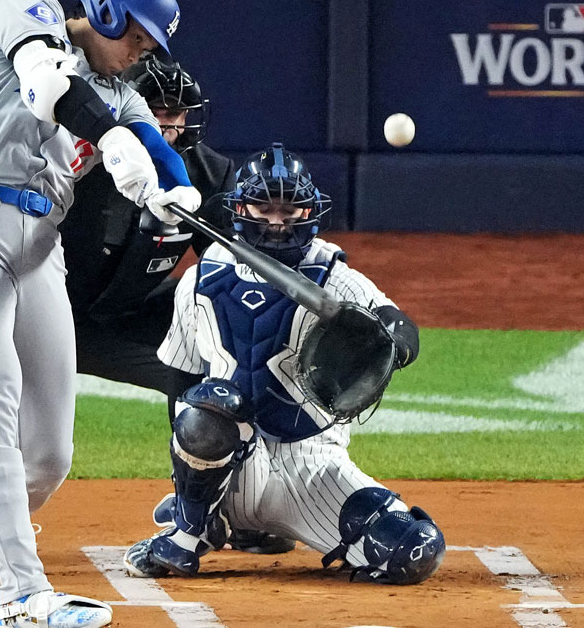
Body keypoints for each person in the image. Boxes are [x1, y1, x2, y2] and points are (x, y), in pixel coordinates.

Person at [0, 55, 295, 573]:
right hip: (23, 305)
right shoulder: (70, 161)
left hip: (122, 319)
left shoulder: (205, 174)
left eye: (179, 114)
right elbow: (0, 229)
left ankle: (221, 512)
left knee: (220, 349)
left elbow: (234, 257)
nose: (168, 125)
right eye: (158, 111)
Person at [0, 0, 201, 628]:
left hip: (35, 249)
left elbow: (154, 144)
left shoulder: (123, 91)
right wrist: (113, 137)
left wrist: (176, 193)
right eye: (138, 37)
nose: (142, 52)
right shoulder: (25, 7)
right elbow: (47, 86)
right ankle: (23, 597)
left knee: (50, 454)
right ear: (107, 14)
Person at [122, 143, 447, 586]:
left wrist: (392, 342)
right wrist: (186, 479)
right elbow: (182, 377)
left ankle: (242, 526)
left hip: (312, 465)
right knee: (210, 407)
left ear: (308, 211)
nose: (277, 220)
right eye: (264, 206)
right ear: (239, 208)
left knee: (414, 551)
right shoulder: (200, 281)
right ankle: (192, 526)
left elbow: (402, 328)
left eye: (289, 209)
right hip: (236, 461)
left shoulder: (333, 277)